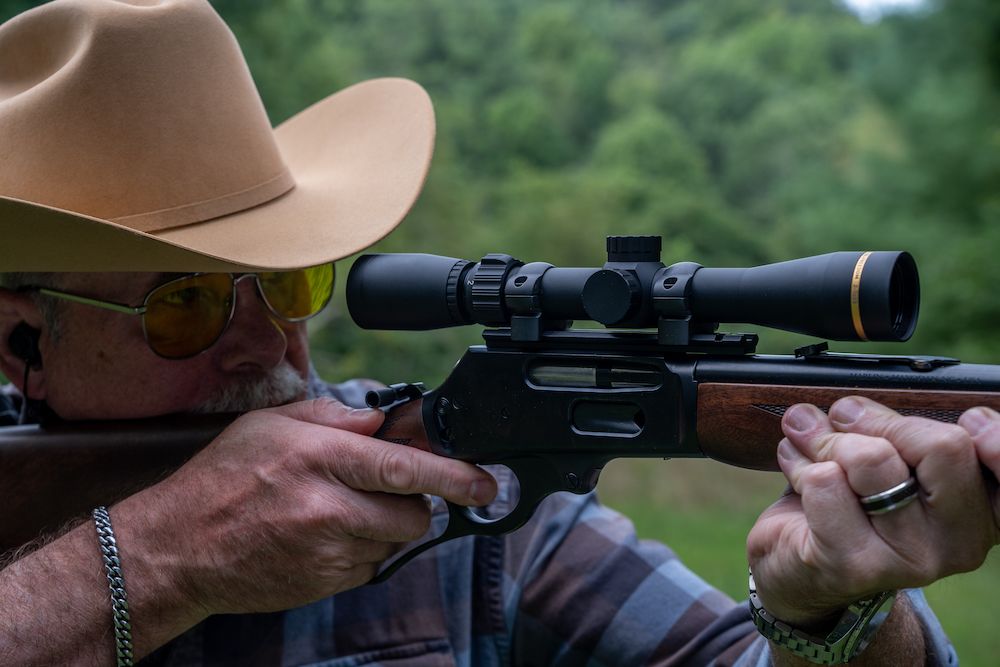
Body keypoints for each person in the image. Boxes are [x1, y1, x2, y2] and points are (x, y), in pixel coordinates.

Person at [0, 1, 997, 665]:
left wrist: (824, 611)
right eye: (186, 302)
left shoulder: (447, 497)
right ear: (20, 344)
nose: (268, 342)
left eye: (287, 281)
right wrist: (164, 556)